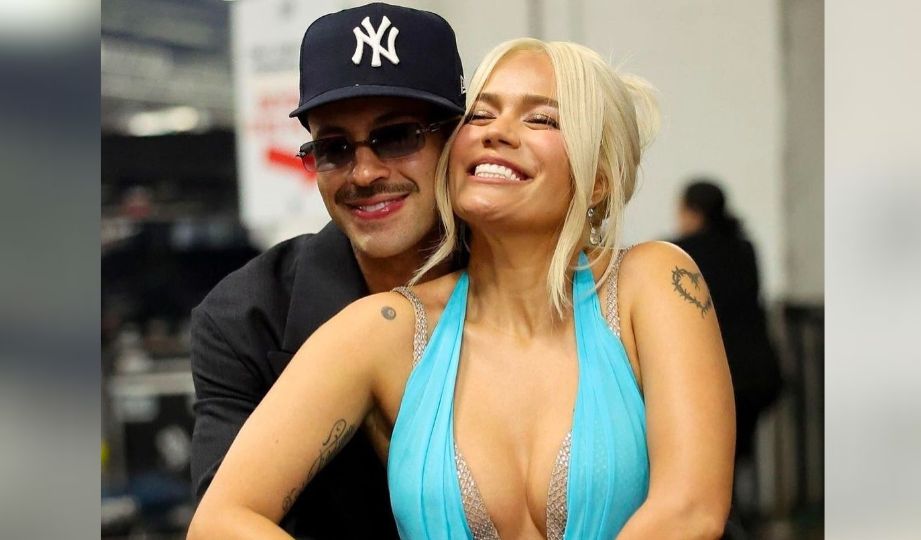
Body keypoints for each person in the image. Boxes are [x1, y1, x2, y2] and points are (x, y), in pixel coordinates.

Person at [189, 38, 735, 540]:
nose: (498, 131)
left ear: (597, 179)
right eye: (481, 114)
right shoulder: (383, 329)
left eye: (542, 118)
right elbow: (220, 520)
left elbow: (691, 510)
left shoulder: (652, 281)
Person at [188, 3, 465, 538]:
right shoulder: (245, 320)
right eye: (334, 148)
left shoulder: (518, 282)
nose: (364, 173)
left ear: (454, 140)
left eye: (397, 136)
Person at [673, 179, 782, 501]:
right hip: (755, 372)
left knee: (705, 463)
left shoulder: (678, 254)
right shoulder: (744, 249)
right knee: (733, 459)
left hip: (709, 374)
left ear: (692, 212)